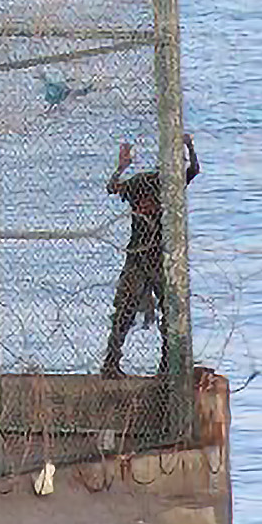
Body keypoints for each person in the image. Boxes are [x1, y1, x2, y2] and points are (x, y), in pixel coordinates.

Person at [102, 133, 200, 378]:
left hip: (159, 258)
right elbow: (112, 188)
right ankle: (111, 363)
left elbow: (195, 169)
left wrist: (189, 145)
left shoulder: (171, 185)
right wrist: (120, 168)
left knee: (168, 314)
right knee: (125, 310)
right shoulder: (141, 183)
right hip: (138, 257)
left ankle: (166, 367)